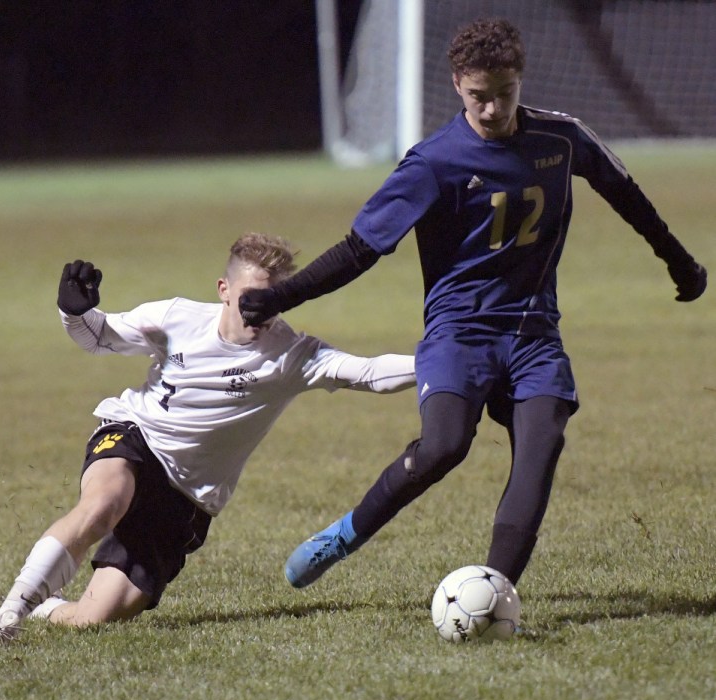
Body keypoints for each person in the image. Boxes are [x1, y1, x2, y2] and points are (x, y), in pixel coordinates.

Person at [239, 18, 707, 592]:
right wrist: (282, 296)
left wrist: (678, 259)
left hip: (535, 334)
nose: (491, 110)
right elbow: (360, 249)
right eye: (479, 97)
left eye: (503, 95)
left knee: (542, 445)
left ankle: (494, 590)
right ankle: (345, 534)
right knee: (444, 447)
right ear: (458, 84)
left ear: (520, 81)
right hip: (458, 334)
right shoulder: (433, 163)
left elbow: (626, 193)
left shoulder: (563, 139)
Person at [0, 233, 416, 650]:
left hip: (188, 496)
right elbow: (99, 335)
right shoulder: (176, 318)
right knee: (103, 503)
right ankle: (4, 621)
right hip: (136, 437)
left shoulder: (291, 355)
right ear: (223, 288)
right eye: (249, 297)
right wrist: (74, 311)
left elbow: (371, 373)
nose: (260, 310)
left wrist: (445, 360)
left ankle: (47, 604)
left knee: (96, 616)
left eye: (272, 300)